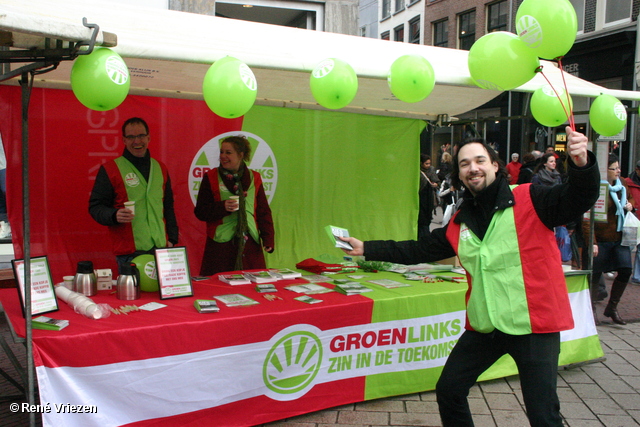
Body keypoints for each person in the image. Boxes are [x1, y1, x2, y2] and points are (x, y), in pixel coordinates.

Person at [339, 126, 599, 427]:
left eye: (479, 160)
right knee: (449, 390)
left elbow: (578, 197)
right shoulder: (458, 222)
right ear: (460, 175)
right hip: (486, 326)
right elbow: (418, 249)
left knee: (543, 415)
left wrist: (582, 165)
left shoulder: (532, 198)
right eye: (464, 164)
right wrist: (366, 248)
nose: (472, 168)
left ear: (494, 165)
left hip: (535, 326)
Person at [89, 117, 178, 273]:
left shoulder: (160, 168)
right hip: (129, 252)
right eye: (131, 137)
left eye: (141, 136)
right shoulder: (111, 169)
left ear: (149, 137)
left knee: (163, 296)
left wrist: (172, 238)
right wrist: (113, 215)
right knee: (133, 295)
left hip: (161, 249)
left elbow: (168, 206)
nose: (137, 141)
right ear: (124, 140)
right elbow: (95, 207)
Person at [194, 135, 274, 276]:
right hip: (221, 246)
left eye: (228, 152)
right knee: (219, 288)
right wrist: (222, 207)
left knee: (252, 287)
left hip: (249, 245)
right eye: (221, 152)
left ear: (241, 155)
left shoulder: (254, 178)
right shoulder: (211, 177)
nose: (223, 156)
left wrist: (268, 239)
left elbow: (263, 211)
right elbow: (201, 211)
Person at [584, 154, 634, 325]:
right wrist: (593, 242)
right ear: (606, 170)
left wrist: (630, 205)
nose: (619, 171)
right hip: (601, 238)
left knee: (626, 269)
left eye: (619, 167)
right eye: (615, 168)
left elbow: (631, 198)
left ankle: (612, 307)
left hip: (620, 237)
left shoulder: (622, 185)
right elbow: (587, 217)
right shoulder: (597, 188)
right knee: (595, 275)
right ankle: (590, 311)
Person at [625, 160, 640, 284]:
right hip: (633, 220)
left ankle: (637, 276)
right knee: (628, 247)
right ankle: (622, 268)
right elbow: (628, 197)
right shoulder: (628, 183)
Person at [419, 154, 440, 238]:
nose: (428, 165)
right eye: (426, 163)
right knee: (421, 218)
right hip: (420, 195)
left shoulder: (431, 170)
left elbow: (437, 181)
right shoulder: (417, 170)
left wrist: (436, 184)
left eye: (429, 163)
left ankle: (425, 236)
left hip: (429, 196)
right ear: (421, 163)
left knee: (428, 216)